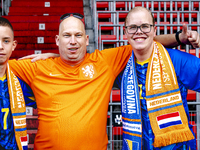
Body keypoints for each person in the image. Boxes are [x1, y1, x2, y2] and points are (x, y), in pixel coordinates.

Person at [8, 13, 200, 149]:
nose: (72, 41)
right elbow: (4, 65)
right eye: (67, 36)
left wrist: (178, 38)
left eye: (78, 35)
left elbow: (143, 39)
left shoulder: (104, 61)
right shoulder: (36, 67)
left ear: (87, 38)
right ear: (58, 40)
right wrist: (53, 57)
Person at [114, 7, 200, 150]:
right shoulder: (120, 67)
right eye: (133, 27)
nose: (139, 31)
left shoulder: (176, 60)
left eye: (145, 27)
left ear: (154, 30)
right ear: (125, 32)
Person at [0, 17, 36, 150]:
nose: (0, 47)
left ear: (13, 45)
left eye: (6, 41)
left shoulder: (20, 81)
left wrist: (51, 55)